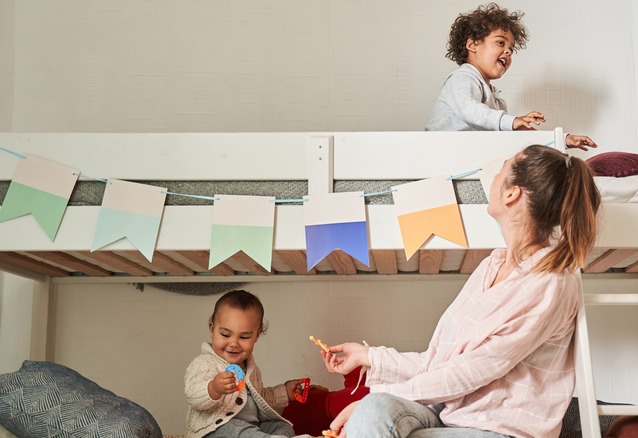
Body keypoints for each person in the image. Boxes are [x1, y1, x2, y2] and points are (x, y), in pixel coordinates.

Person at [321, 144, 601, 437]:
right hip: (451, 418)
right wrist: (369, 356)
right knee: (375, 410)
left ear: (511, 193)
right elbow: (440, 364)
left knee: (371, 410)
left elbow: (473, 371)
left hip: (499, 430)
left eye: (500, 170)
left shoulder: (548, 282)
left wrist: (371, 398)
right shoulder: (490, 267)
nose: (491, 178)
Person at [425, 3, 595, 151]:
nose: (508, 51)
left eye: (511, 49)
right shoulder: (462, 78)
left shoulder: (497, 101)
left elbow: (510, 138)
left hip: (468, 159)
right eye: (500, 42)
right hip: (440, 158)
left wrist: (560, 139)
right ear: (472, 45)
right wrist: (512, 121)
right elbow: (471, 111)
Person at [184, 289, 311, 438]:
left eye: (244, 337)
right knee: (235, 428)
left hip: (251, 428)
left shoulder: (251, 368)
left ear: (256, 336)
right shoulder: (204, 363)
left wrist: (284, 391)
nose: (233, 343)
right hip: (214, 430)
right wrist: (213, 388)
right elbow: (192, 396)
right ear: (212, 329)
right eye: (225, 334)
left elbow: (261, 398)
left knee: (282, 425)